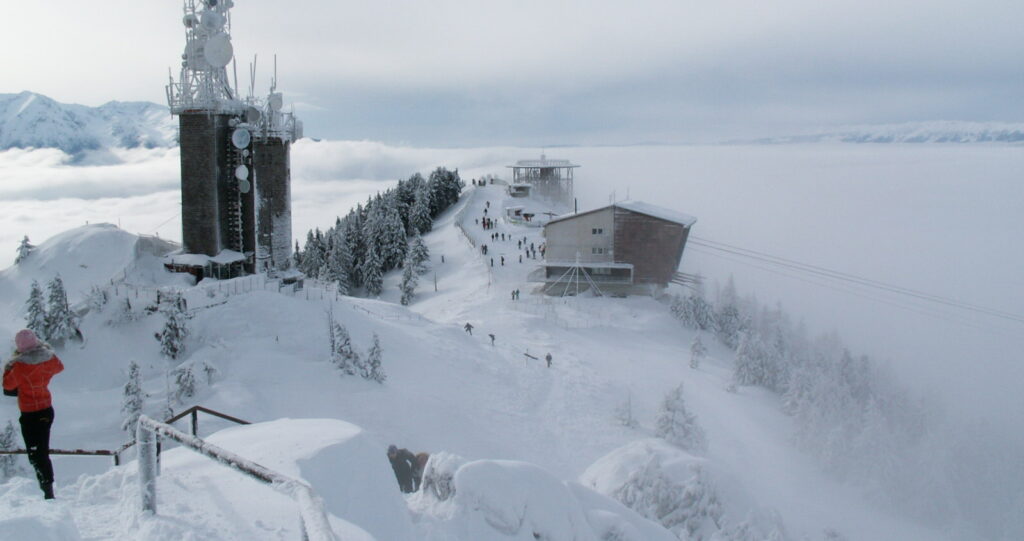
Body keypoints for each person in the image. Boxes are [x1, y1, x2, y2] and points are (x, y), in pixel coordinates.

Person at [3, 329, 64, 500]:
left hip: (30, 413)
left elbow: (7, 386)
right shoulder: (48, 359)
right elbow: (59, 366)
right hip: (46, 408)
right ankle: (48, 490)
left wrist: (9, 366)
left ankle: (47, 492)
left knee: (36, 455)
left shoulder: (20, 367)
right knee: (42, 452)